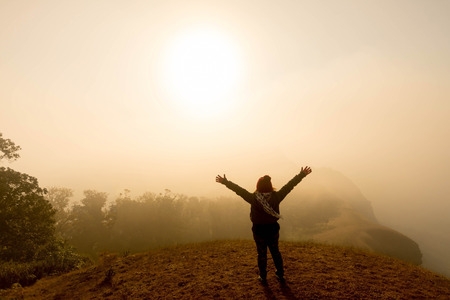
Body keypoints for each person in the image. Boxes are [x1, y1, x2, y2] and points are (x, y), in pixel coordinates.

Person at [215, 166, 312, 285]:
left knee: (261, 254)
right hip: (272, 229)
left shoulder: (253, 198)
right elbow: (290, 185)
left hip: (258, 230)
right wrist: (302, 174)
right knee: (275, 252)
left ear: (258, 186)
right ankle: (280, 274)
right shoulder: (277, 196)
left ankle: (263, 276)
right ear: (270, 186)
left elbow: (239, 190)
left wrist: (225, 182)